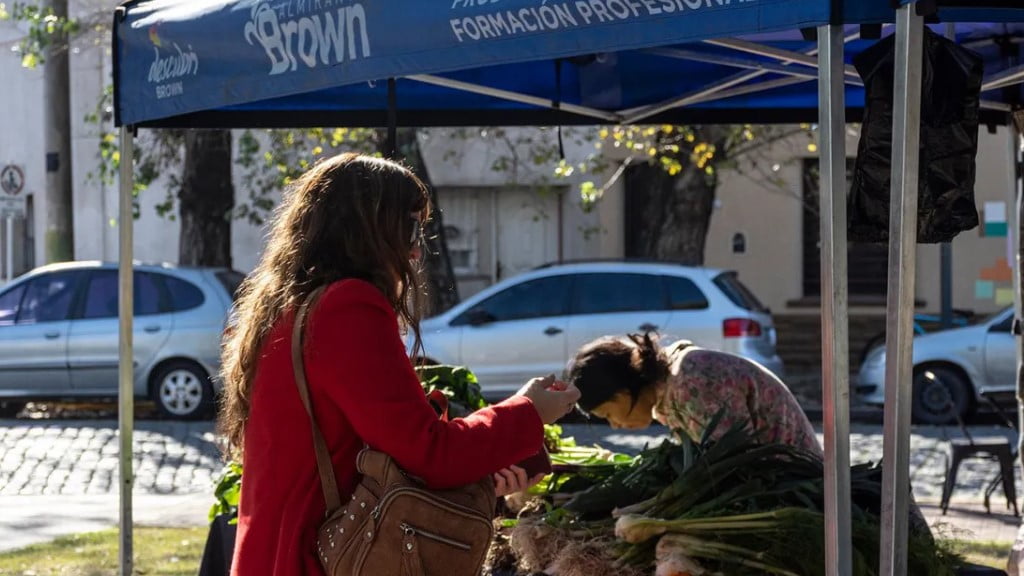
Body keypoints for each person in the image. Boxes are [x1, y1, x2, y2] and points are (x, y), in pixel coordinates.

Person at [219, 153, 581, 576]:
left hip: (279, 550)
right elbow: (429, 452)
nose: (414, 249)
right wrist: (529, 411)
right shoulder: (346, 306)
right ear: (368, 230)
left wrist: (499, 451)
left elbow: (387, 439)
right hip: (314, 556)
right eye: (410, 227)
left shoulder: (291, 304)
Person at [567, 333, 822, 457]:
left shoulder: (690, 381)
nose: (615, 425)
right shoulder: (669, 389)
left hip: (798, 484)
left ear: (622, 391)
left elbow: (732, 463)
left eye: (608, 414)